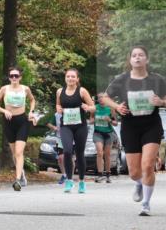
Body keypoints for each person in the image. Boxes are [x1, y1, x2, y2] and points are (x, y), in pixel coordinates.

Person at [101, 46, 166, 216]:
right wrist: (116, 106)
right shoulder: (121, 79)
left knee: (148, 165)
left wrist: (162, 102)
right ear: (130, 60)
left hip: (151, 125)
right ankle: (139, 183)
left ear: (147, 59)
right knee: (134, 172)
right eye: (134, 55)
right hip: (130, 126)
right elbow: (104, 97)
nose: (137, 58)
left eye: (141, 55)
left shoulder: (157, 80)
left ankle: (146, 204)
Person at [0, 67, 37, 191]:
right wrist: (4, 110)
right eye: (12, 76)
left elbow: (32, 100)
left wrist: (31, 112)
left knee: (18, 152)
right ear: (9, 77)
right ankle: (21, 173)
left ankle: (17, 180)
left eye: (16, 76)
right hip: (9, 122)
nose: (14, 78)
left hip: (22, 121)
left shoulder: (25, 89)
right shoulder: (4, 89)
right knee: (14, 153)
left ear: (20, 77)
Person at [54, 68, 97, 194]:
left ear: (77, 79)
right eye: (68, 76)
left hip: (80, 126)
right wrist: (58, 109)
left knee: (79, 153)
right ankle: (69, 180)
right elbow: (57, 105)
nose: (70, 78)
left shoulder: (82, 91)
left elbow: (93, 107)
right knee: (67, 151)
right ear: (65, 78)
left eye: (73, 76)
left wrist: (87, 107)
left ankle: (82, 181)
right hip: (66, 125)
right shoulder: (59, 91)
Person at [91, 94, 118, 183]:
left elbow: (115, 123)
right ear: (98, 99)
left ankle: (108, 175)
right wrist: (93, 120)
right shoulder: (94, 108)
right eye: (99, 98)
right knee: (99, 152)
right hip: (98, 133)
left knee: (107, 155)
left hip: (108, 134)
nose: (101, 99)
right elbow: (91, 120)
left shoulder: (111, 108)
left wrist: (109, 120)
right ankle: (99, 175)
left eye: (103, 97)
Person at [45, 111, 66, 185]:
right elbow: (48, 123)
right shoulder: (56, 115)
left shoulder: (72, 112)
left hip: (72, 139)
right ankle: (64, 175)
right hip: (60, 138)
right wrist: (54, 127)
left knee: (70, 158)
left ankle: (70, 177)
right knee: (60, 158)